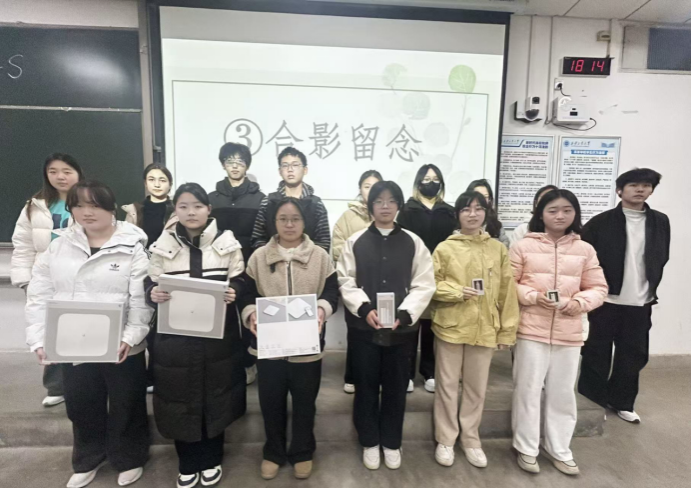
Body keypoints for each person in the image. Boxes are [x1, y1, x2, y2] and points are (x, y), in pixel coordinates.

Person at [25, 180, 151, 488]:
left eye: (94, 205)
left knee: (126, 403)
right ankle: (88, 458)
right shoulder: (58, 246)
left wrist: (131, 336)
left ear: (111, 207)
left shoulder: (133, 246)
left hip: (121, 345)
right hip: (73, 344)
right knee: (82, 403)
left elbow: (141, 299)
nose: (87, 212)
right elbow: (40, 295)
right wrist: (39, 339)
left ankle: (129, 458)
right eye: (79, 205)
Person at [146, 183, 247, 489]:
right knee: (180, 397)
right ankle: (188, 461)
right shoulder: (161, 245)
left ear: (208, 209)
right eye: (183, 206)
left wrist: (235, 289)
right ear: (175, 210)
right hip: (175, 339)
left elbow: (241, 277)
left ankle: (212, 458)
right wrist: (152, 293)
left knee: (216, 396)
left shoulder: (227, 242)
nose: (191, 212)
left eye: (197, 206)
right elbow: (148, 282)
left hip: (218, 337)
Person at [338, 181, 435, 472]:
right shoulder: (355, 241)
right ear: (370, 206)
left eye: (391, 201)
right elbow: (345, 279)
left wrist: (404, 315)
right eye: (379, 201)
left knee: (395, 387)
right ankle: (369, 441)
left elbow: (424, 283)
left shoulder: (413, 242)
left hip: (400, 331)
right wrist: (364, 308)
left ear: (399, 206)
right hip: (363, 329)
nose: (385, 206)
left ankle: (392, 442)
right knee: (365, 385)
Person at [510, 189, 607, 477]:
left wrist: (579, 303)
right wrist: (531, 296)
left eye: (567, 210)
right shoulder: (523, 246)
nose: (560, 216)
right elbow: (507, 284)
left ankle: (559, 449)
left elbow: (598, 288)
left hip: (569, 331)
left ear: (575, 214)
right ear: (540, 214)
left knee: (562, 393)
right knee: (527, 390)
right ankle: (526, 447)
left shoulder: (585, 249)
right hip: (530, 329)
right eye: (552, 210)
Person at [240, 198, 340, 481]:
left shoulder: (320, 256)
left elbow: (332, 292)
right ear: (274, 222)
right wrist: (251, 313)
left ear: (305, 222)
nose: (289, 224)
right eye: (283, 218)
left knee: (305, 403)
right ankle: (273, 452)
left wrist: (322, 309)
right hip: (270, 347)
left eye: (295, 219)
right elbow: (247, 294)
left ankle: (303, 451)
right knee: (270, 402)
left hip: (307, 347)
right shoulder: (259, 257)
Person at [431, 192, 520, 469]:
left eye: (478, 208)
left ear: (486, 213)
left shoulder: (498, 249)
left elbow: (507, 292)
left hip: (485, 328)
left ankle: (470, 439)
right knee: (446, 385)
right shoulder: (445, 248)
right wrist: (456, 291)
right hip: (450, 326)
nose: (473, 214)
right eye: (466, 209)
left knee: (476, 388)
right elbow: (430, 284)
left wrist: (507, 331)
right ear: (457, 214)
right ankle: (446, 439)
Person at [578, 169, 670, 424]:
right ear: (620, 190)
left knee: (633, 355)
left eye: (646, 185)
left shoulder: (660, 221)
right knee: (596, 353)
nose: (640, 189)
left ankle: (622, 402)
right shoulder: (601, 222)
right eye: (633, 185)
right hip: (606, 301)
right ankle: (591, 403)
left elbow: (661, 255)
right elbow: (586, 261)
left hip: (641, 301)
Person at [11, 153, 84, 409]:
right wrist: (25, 281)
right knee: (50, 331)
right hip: (44, 278)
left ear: (78, 173)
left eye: (67, 171)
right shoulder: (35, 206)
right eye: (53, 171)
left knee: (79, 330)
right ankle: (56, 386)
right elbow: (22, 245)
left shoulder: (90, 201)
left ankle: (84, 383)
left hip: (77, 277)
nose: (60, 177)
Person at [209, 143, 267, 386]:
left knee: (251, 313)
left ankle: (250, 363)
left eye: (240, 161)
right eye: (230, 161)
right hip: (219, 265)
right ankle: (226, 363)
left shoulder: (260, 199)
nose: (235, 166)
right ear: (223, 164)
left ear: (247, 165)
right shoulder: (211, 198)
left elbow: (263, 233)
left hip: (250, 265)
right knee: (223, 316)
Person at [397, 164, 457, 394]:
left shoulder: (449, 211)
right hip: (413, 273)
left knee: (432, 326)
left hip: (440, 274)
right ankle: (407, 373)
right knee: (410, 323)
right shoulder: (407, 210)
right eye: (426, 179)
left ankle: (429, 371)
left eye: (435, 179)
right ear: (418, 182)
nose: (431, 183)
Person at [122, 163, 177, 394]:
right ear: (145, 182)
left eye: (162, 179)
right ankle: (139, 374)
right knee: (137, 320)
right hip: (138, 271)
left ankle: (155, 375)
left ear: (170, 184)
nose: (157, 184)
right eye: (152, 179)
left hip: (164, 271)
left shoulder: (176, 209)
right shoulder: (135, 210)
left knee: (159, 328)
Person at [331, 170, 383, 395]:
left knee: (379, 329)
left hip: (381, 285)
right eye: (366, 186)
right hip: (354, 282)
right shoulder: (347, 217)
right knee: (355, 331)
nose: (370, 191)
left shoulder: (388, 215)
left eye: (375, 186)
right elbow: (337, 248)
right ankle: (352, 376)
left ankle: (376, 376)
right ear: (360, 189)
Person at [252, 147, 331, 253]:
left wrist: (302, 258)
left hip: (308, 261)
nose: (290, 169)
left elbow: (323, 242)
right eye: (285, 165)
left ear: (305, 170)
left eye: (295, 165)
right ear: (280, 171)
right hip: (273, 261)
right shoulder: (268, 202)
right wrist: (277, 257)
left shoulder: (316, 204)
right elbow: (258, 238)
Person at [467, 179, 510, 248]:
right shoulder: (463, 220)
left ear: (490, 199)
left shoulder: (495, 224)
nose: (482, 200)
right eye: (478, 196)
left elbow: (505, 243)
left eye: (485, 197)